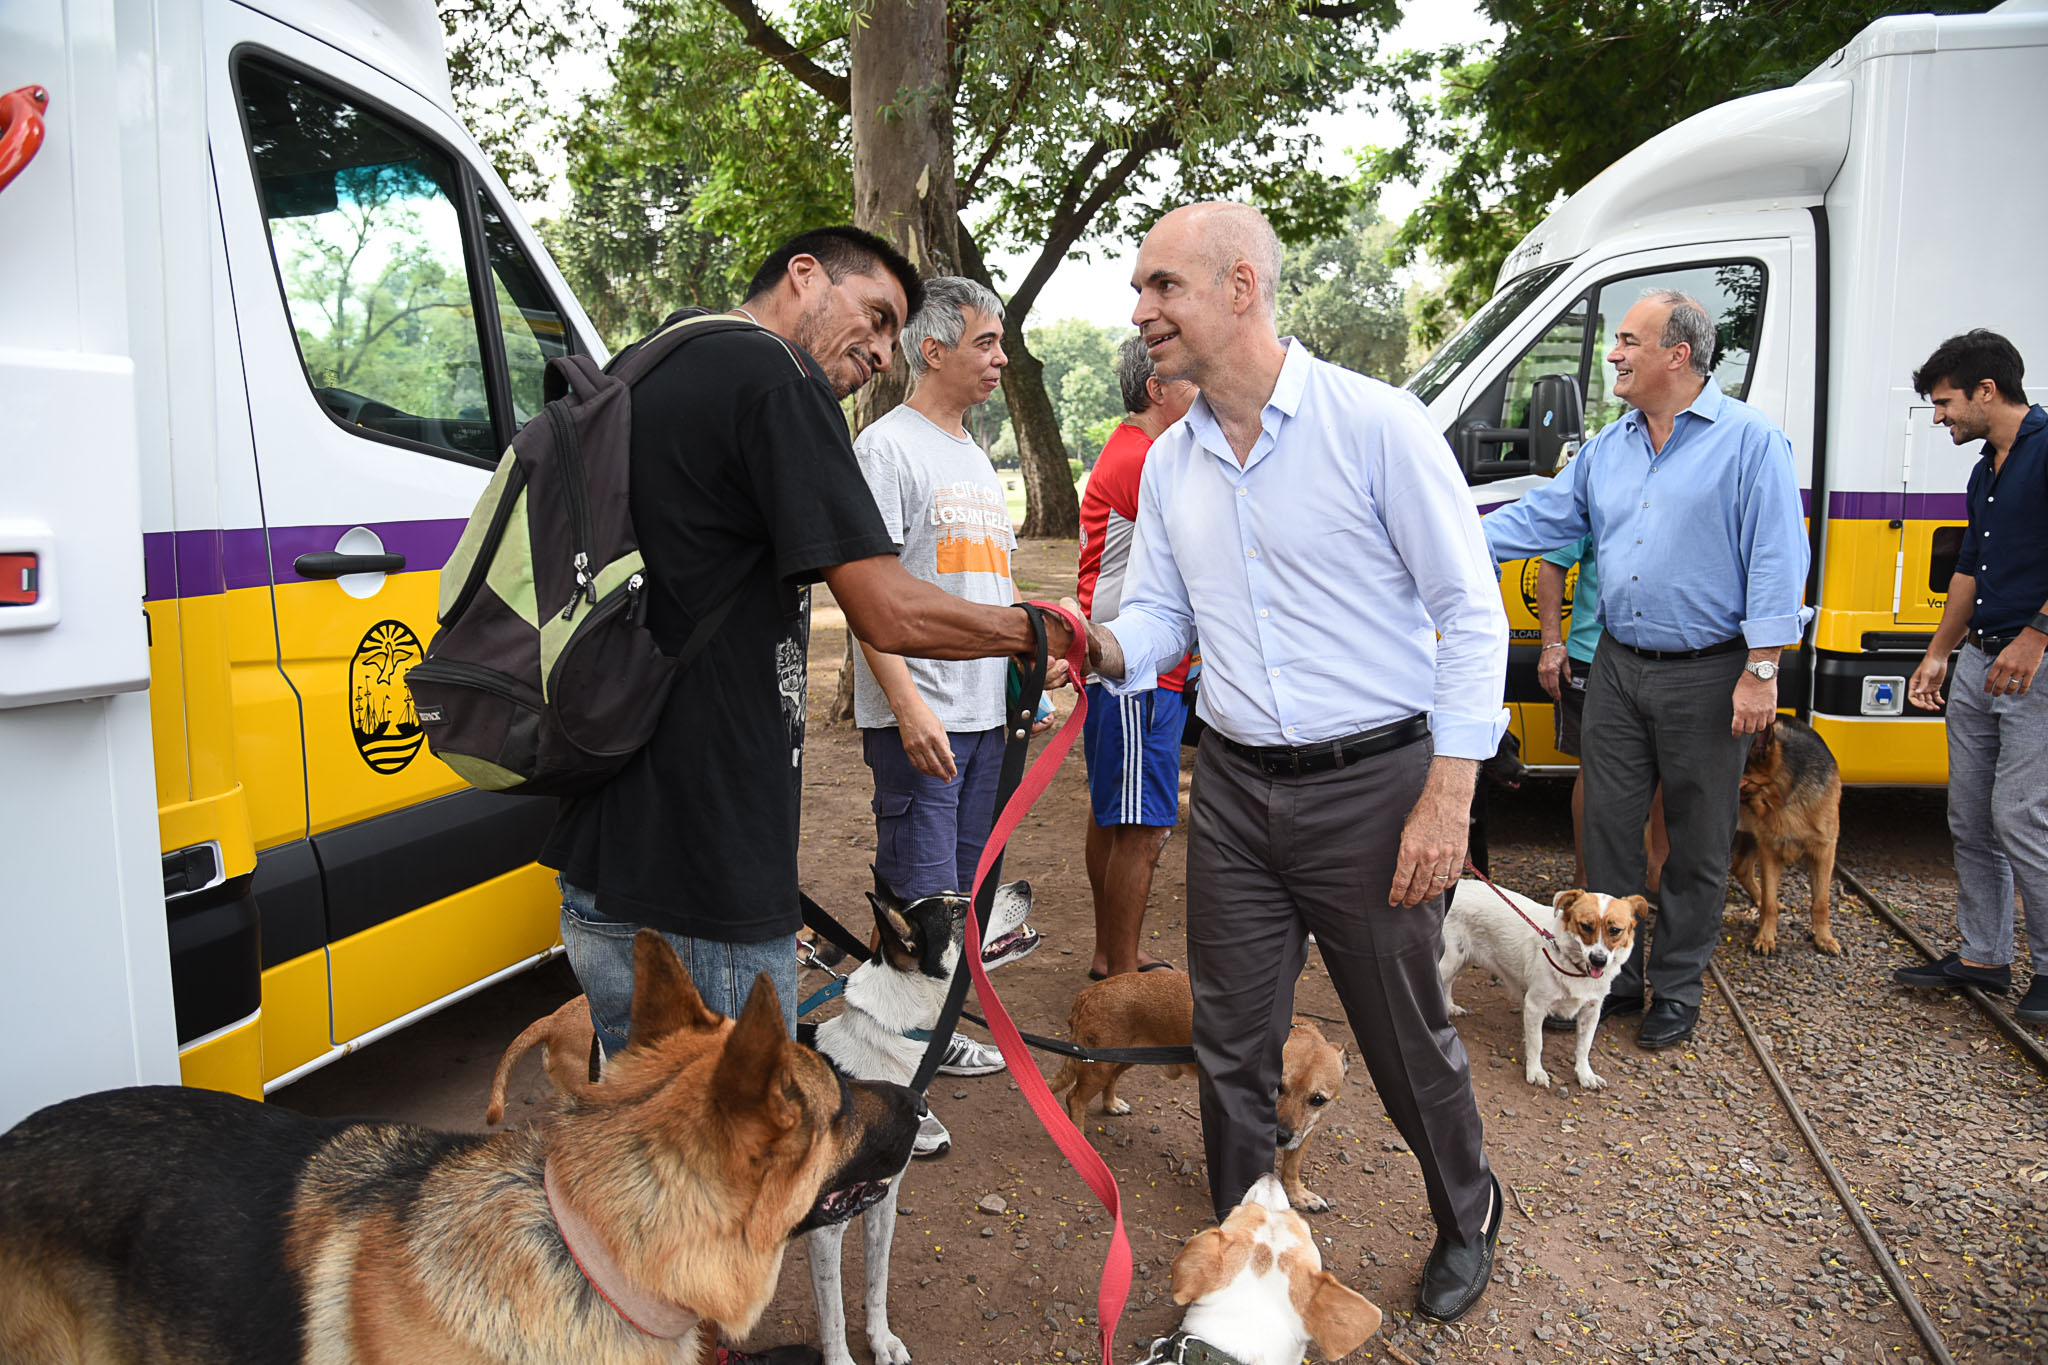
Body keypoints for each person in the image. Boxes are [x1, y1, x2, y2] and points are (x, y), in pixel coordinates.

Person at [1068, 201, 1510, 1325]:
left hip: (1376, 791)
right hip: (1232, 792)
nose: (1139, 310)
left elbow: (1470, 615)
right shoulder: (1170, 463)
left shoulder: (1377, 425)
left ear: (1238, 288)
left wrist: (1445, 795)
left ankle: (1468, 1212)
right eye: (1139, 288)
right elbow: (1162, 616)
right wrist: (1096, 646)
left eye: (1160, 285)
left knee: (1406, 1037)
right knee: (1228, 1042)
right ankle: (1247, 1245)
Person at [540, 227, 1072, 1052]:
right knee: (738, 1150)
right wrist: (1036, 633)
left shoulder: (653, 357)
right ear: (803, 276)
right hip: (707, 865)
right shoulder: (774, 376)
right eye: (877, 315)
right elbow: (886, 609)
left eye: (896, 334)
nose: (885, 352)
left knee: (648, 1129)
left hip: (607, 854)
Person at [1483, 289, 1809, 1052]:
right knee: (1606, 830)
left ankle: (1681, 986)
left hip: (1709, 671)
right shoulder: (1610, 444)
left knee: (1698, 838)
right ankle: (1615, 980)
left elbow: (1777, 559)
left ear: (1679, 355)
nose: (1615, 354)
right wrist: (1444, 535)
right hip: (1619, 668)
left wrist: (1761, 669)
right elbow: (1546, 517)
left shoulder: (1752, 442)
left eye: (1629, 340)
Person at [850, 276, 1028, 1146]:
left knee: (957, 901)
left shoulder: (972, 453)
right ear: (934, 350)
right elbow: (864, 592)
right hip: (922, 720)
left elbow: (983, 586)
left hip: (985, 718)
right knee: (915, 901)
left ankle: (930, 1036)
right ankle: (884, 1084)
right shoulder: (888, 449)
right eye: (988, 343)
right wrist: (907, 704)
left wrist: (1033, 656)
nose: (1002, 358)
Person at [1894, 330, 2048, 1023]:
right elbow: (1968, 570)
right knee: (1971, 815)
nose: (1940, 417)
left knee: (2022, 815)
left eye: (1946, 402)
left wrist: (2038, 633)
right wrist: (1938, 650)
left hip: (2035, 664)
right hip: (1980, 661)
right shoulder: (1987, 466)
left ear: (1988, 392)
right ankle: (1985, 955)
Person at [1076, 333, 1198, 980]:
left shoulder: (1135, 451)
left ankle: (1112, 951)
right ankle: (1120, 968)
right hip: (1138, 671)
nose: (1201, 390)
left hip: (1128, 664)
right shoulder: (1148, 459)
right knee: (1141, 826)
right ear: (1156, 390)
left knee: (1117, 814)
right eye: (1189, 379)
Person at [1535, 539, 1667, 892]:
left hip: (1666, 656)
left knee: (1668, 770)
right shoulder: (1593, 483)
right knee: (1594, 770)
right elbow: (1552, 562)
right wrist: (1551, 642)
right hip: (1592, 654)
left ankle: (1657, 878)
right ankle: (1586, 878)